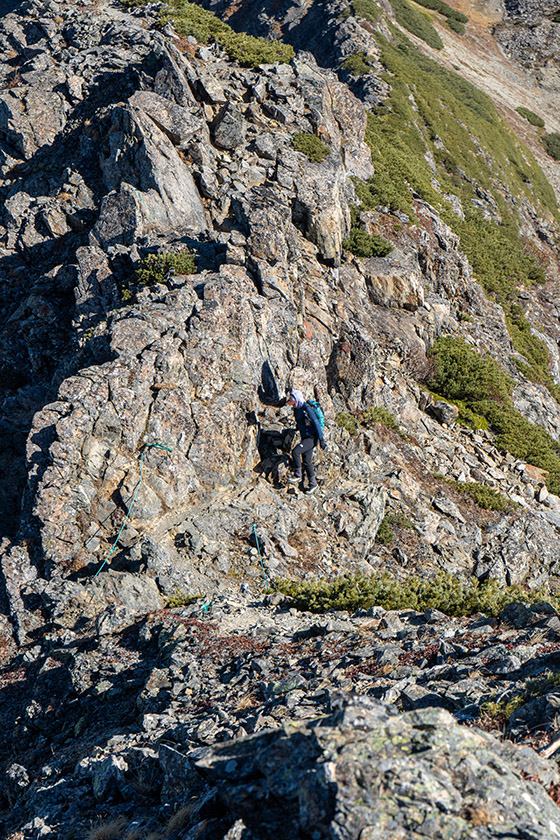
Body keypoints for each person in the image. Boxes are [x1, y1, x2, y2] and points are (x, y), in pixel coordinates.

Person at [284, 390, 327, 493]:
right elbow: (301, 423)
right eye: (291, 404)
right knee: (307, 462)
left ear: (297, 400)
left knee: (296, 451)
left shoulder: (307, 409)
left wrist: (321, 440)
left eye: (293, 403)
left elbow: (316, 423)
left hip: (312, 438)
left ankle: (298, 475)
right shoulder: (297, 409)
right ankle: (313, 484)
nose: (292, 405)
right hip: (305, 437)